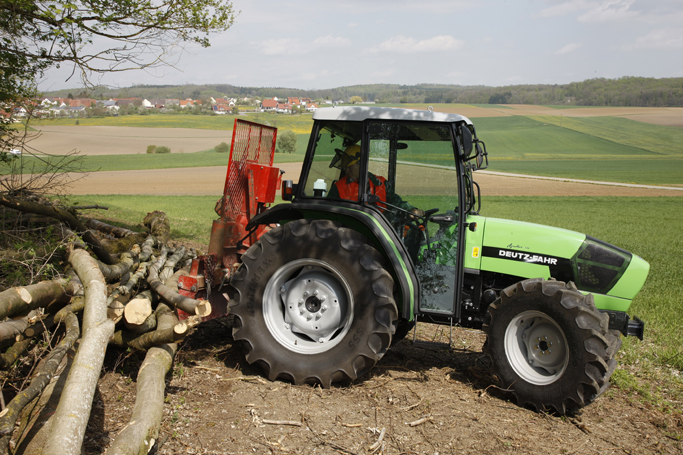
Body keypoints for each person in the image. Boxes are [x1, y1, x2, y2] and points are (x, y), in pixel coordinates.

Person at [328, 144, 424, 217]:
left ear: (361, 164)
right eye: (346, 168)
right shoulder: (338, 187)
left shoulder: (380, 183)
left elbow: (395, 203)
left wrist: (411, 210)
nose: (347, 171)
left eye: (350, 167)